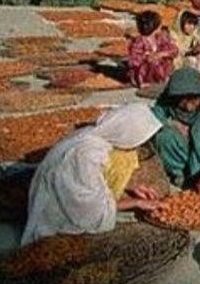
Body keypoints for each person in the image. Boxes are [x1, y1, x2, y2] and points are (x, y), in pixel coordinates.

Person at [23, 105, 163, 244]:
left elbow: (91, 181)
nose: (137, 147)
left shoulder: (94, 136)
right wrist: (136, 203)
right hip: (53, 220)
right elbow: (93, 212)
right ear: (127, 135)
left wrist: (129, 187)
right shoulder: (87, 155)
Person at [127, 10, 179, 88]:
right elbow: (133, 60)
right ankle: (144, 82)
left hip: (159, 70)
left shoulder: (160, 38)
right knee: (153, 62)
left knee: (167, 61)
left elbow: (174, 50)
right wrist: (147, 57)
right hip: (143, 72)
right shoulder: (139, 41)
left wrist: (162, 54)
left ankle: (162, 79)